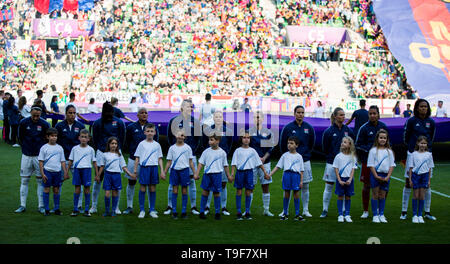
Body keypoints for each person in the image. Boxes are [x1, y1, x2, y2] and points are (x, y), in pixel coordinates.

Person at [165, 99, 202, 216]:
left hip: (190, 156)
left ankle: (193, 207)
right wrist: (176, 150)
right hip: (176, 157)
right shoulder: (173, 121)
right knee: (172, 183)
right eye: (186, 106)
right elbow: (169, 137)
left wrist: (191, 152)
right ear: (181, 108)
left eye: (191, 107)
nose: (189, 108)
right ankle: (170, 206)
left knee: (191, 181)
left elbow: (198, 139)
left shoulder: (195, 122)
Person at [401, 99, 436, 221]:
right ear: (417, 108)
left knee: (426, 185)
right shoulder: (411, 121)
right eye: (421, 106)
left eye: (425, 106)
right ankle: (404, 211)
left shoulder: (431, 122)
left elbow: (431, 138)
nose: (423, 108)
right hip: (412, 154)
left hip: (426, 155)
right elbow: (406, 136)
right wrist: (412, 149)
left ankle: (427, 212)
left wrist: (427, 150)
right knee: (408, 183)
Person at [90, 102, 126, 214]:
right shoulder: (97, 123)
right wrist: (101, 149)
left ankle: (116, 207)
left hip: (115, 152)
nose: (109, 114)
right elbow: (94, 139)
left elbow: (122, 137)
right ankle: (94, 206)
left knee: (116, 181)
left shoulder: (119, 122)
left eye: (110, 112)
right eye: (107, 112)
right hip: (101, 152)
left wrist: (117, 149)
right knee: (98, 179)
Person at [279, 105, 315, 217]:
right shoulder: (288, 127)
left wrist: (306, 154)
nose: (301, 114)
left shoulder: (309, 127)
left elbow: (311, 143)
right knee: (288, 187)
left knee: (305, 185)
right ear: (294, 114)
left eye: (302, 112)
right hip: (291, 162)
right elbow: (282, 143)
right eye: (298, 112)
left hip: (304, 160)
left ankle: (305, 210)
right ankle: (285, 211)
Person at [123, 108, 160, 215]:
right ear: (137, 115)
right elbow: (127, 141)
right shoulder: (131, 127)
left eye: (146, 113)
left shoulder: (152, 127)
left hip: (148, 162)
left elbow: (155, 141)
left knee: (149, 184)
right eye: (142, 113)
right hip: (133, 159)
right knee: (131, 182)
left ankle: (150, 208)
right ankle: (129, 206)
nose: (144, 114)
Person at [321, 107, 355, 218]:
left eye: (344, 115)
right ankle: (325, 210)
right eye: (340, 115)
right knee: (329, 186)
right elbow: (325, 148)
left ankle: (344, 211)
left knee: (345, 187)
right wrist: (331, 156)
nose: (343, 117)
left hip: (345, 165)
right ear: (335, 116)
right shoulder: (329, 131)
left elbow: (352, 145)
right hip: (331, 163)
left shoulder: (348, 131)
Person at [15, 105, 50, 214]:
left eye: (38, 116)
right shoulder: (24, 122)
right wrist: (25, 147)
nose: (35, 118)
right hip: (26, 155)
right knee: (24, 180)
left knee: (40, 181)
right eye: (34, 115)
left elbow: (47, 139)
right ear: (30, 113)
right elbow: (20, 137)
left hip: (39, 158)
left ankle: (41, 206)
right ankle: (22, 205)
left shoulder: (44, 124)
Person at [355, 105, 388, 219]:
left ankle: (379, 210)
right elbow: (358, 145)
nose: (372, 115)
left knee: (383, 185)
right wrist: (370, 150)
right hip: (367, 162)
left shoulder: (383, 127)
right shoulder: (363, 128)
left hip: (382, 162)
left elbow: (389, 144)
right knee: (367, 186)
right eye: (370, 113)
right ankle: (365, 210)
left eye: (374, 113)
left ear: (378, 115)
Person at [230, 130, 269, 220]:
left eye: (248, 138)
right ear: (241, 139)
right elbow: (234, 163)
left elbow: (259, 163)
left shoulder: (253, 151)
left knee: (248, 192)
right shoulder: (237, 151)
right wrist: (232, 174)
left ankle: (247, 211)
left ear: (250, 139)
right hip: (240, 173)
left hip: (249, 173)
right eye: (244, 137)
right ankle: (239, 212)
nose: (246, 139)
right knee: (239, 191)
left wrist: (265, 173)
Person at [55, 104, 87, 211]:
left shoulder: (81, 126)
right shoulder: (59, 126)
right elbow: (56, 142)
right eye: (70, 113)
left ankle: (79, 206)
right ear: (66, 114)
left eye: (74, 113)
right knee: (58, 183)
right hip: (62, 160)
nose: (72, 115)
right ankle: (56, 206)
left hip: (77, 160)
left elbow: (84, 143)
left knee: (79, 184)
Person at [201, 110, 233, 216]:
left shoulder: (227, 131)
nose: (218, 118)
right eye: (216, 117)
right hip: (210, 162)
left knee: (223, 185)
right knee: (208, 186)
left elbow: (230, 143)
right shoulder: (208, 130)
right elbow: (203, 143)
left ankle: (223, 207)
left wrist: (224, 154)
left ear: (222, 118)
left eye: (220, 117)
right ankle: (207, 206)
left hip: (222, 162)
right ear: (213, 118)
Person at [195, 134, 232, 220]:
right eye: (209, 140)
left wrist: (228, 176)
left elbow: (225, 165)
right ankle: (202, 211)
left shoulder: (222, 153)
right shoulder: (206, 152)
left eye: (211, 140)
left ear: (218, 141)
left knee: (216, 193)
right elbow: (201, 163)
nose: (209, 142)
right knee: (205, 192)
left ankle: (217, 213)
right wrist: (196, 173)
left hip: (217, 175)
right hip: (207, 175)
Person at [269, 136, 305, 221]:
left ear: (297, 145)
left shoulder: (299, 156)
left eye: (291, 143)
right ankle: (285, 213)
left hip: (296, 176)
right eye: (288, 143)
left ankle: (297, 214)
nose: (289, 145)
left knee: (296, 193)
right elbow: (278, 166)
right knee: (286, 193)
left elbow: (301, 170)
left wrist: (301, 181)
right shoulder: (285, 155)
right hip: (287, 175)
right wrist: (270, 174)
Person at [97, 137, 135, 217]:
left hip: (116, 175)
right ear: (109, 144)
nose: (114, 145)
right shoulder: (104, 155)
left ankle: (113, 210)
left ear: (117, 145)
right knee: (107, 193)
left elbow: (123, 166)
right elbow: (102, 166)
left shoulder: (119, 155)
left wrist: (130, 174)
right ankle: (107, 211)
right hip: (108, 175)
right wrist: (98, 175)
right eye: (112, 143)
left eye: (115, 144)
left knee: (115, 193)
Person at [133, 123, 165, 219]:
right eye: (148, 131)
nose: (150, 133)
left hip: (154, 168)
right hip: (144, 168)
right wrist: (135, 170)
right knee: (142, 188)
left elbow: (160, 158)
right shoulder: (141, 144)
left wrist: (162, 171)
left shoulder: (157, 145)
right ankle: (142, 210)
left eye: (152, 131)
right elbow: (137, 158)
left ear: (155, 132)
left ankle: (152, 210)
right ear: (144, 132)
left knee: (152, 189)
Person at [248, 111, 277, 217]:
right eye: (255, 117)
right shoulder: (248, 132)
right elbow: (247, 148)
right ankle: (247, 210)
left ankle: (266, 210)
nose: (257, 119)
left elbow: (271, 148)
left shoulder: (268, 132)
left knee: (265, 186)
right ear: (253, 119)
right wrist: (256, 158)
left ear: (263, 119)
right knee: (250, 186)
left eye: (259, 117)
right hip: (252, 163)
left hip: (265, 163)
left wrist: (264, 158)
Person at [163, 130, 196, 219]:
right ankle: (174, 211)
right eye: (179, 135)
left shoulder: (188, 148)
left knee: (184, 191)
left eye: (182, 135)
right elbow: (169, 162)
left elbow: (191, 162)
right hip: (174, 171)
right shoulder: (172, 148)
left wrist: (194, 172)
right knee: (175, 190)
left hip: (184, 171)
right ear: (175, 136)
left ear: (185, 137)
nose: (180, 136)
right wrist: (164, 172)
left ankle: (184, 211)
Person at [38, 128, 68, 216]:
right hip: (47, 172)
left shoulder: (59, 148)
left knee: (56, 190)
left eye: (55, 136)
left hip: (57, 172)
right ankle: (46, 209)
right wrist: (42, 173)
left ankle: (56, 208)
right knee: (46, 189)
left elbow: (62, 161)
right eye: (52, 136)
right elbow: (41, 161)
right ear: (47, 137)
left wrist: (65, 172)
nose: (54, 138)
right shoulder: (44, 148)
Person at [367, 129, 396, 223]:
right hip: (375, 175)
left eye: (384, 138)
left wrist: (388, 176)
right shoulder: (373, 151)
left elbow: (392, 165)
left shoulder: (389, 152)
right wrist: (375, 176)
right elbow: (370, 164)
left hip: (385, 175)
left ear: (387, 139)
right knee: (375, 194)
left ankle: (381, 214)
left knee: (382, 195)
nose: (382, 140)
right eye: (381, 138)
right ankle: (375, 215)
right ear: (377, 139)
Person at [67, 129, 97, 217]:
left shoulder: (91, 149)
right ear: (79, 138)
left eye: (85, 137)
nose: (83, 139)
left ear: (89, 139)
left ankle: (87, 210)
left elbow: (94, 162)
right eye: (82, 137)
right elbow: (70, 160)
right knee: (77, 188)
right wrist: (66, 171)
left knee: (87, 188)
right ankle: (75, 209)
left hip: (87, 170)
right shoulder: (75, 148)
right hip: (77, 170)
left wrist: (97, 174)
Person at [408, 136, 434, 224]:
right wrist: (410, 179)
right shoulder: (413, 154)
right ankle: (414, 215)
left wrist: (429, 180)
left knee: (422, 196)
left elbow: (430, 168)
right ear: (418, 143)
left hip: (425, 176)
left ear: (427, 145)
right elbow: (411, 168)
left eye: (424, 143)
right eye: (421, 143)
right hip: (416, 176)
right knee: (415, 195)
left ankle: (420, 215)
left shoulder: (429, 155)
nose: (423, 145)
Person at [333, 136, 358, 223]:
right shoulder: (338, 156)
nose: (342, 143)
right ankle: (340, 215)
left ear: (350, 145)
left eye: (345, 142)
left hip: (349, 180)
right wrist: (339, 180)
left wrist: (350, 179)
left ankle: (347, 214)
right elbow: (336, 168)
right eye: (342, 142)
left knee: (348, 196)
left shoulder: (353, 157)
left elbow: (353, 169)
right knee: (340, 196)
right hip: (340, 178)